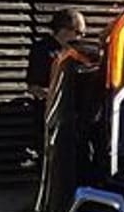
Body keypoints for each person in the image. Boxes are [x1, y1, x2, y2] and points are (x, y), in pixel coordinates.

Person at [25, 9, 86, 159]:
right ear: (64, 30)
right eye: (78, 33)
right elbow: (33, 87)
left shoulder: (76, 52)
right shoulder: (42, 50)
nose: (82, 37)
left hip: (73, 119)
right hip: (51, 118)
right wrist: (55, 95)